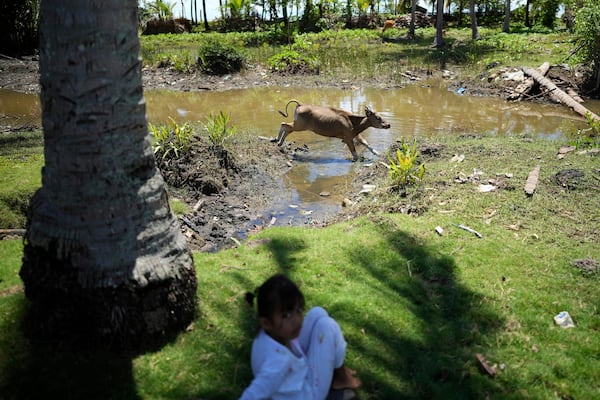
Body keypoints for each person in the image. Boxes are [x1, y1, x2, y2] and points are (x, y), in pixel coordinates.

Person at [240, 274, 361, 400]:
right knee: (327, 325)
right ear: (266, 323)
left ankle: (339, 370)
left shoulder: (265, 333)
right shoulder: (278, 362)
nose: (296, 320)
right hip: (309, 394)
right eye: (286, 315)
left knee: (317, 313)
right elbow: (255, 392)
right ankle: (341, 378)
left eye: (298, 310)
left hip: (296, 372)